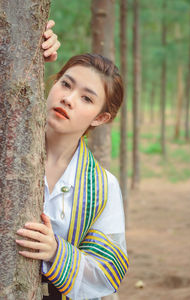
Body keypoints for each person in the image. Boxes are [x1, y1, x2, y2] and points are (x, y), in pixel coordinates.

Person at [16, 20, 129, 300]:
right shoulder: (8, 145)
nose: (68, 99)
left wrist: (56, 251)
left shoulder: (102, 187)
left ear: (101, 117)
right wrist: (22, 49)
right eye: (66, 84)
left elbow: (108, 271)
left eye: (87, 99)